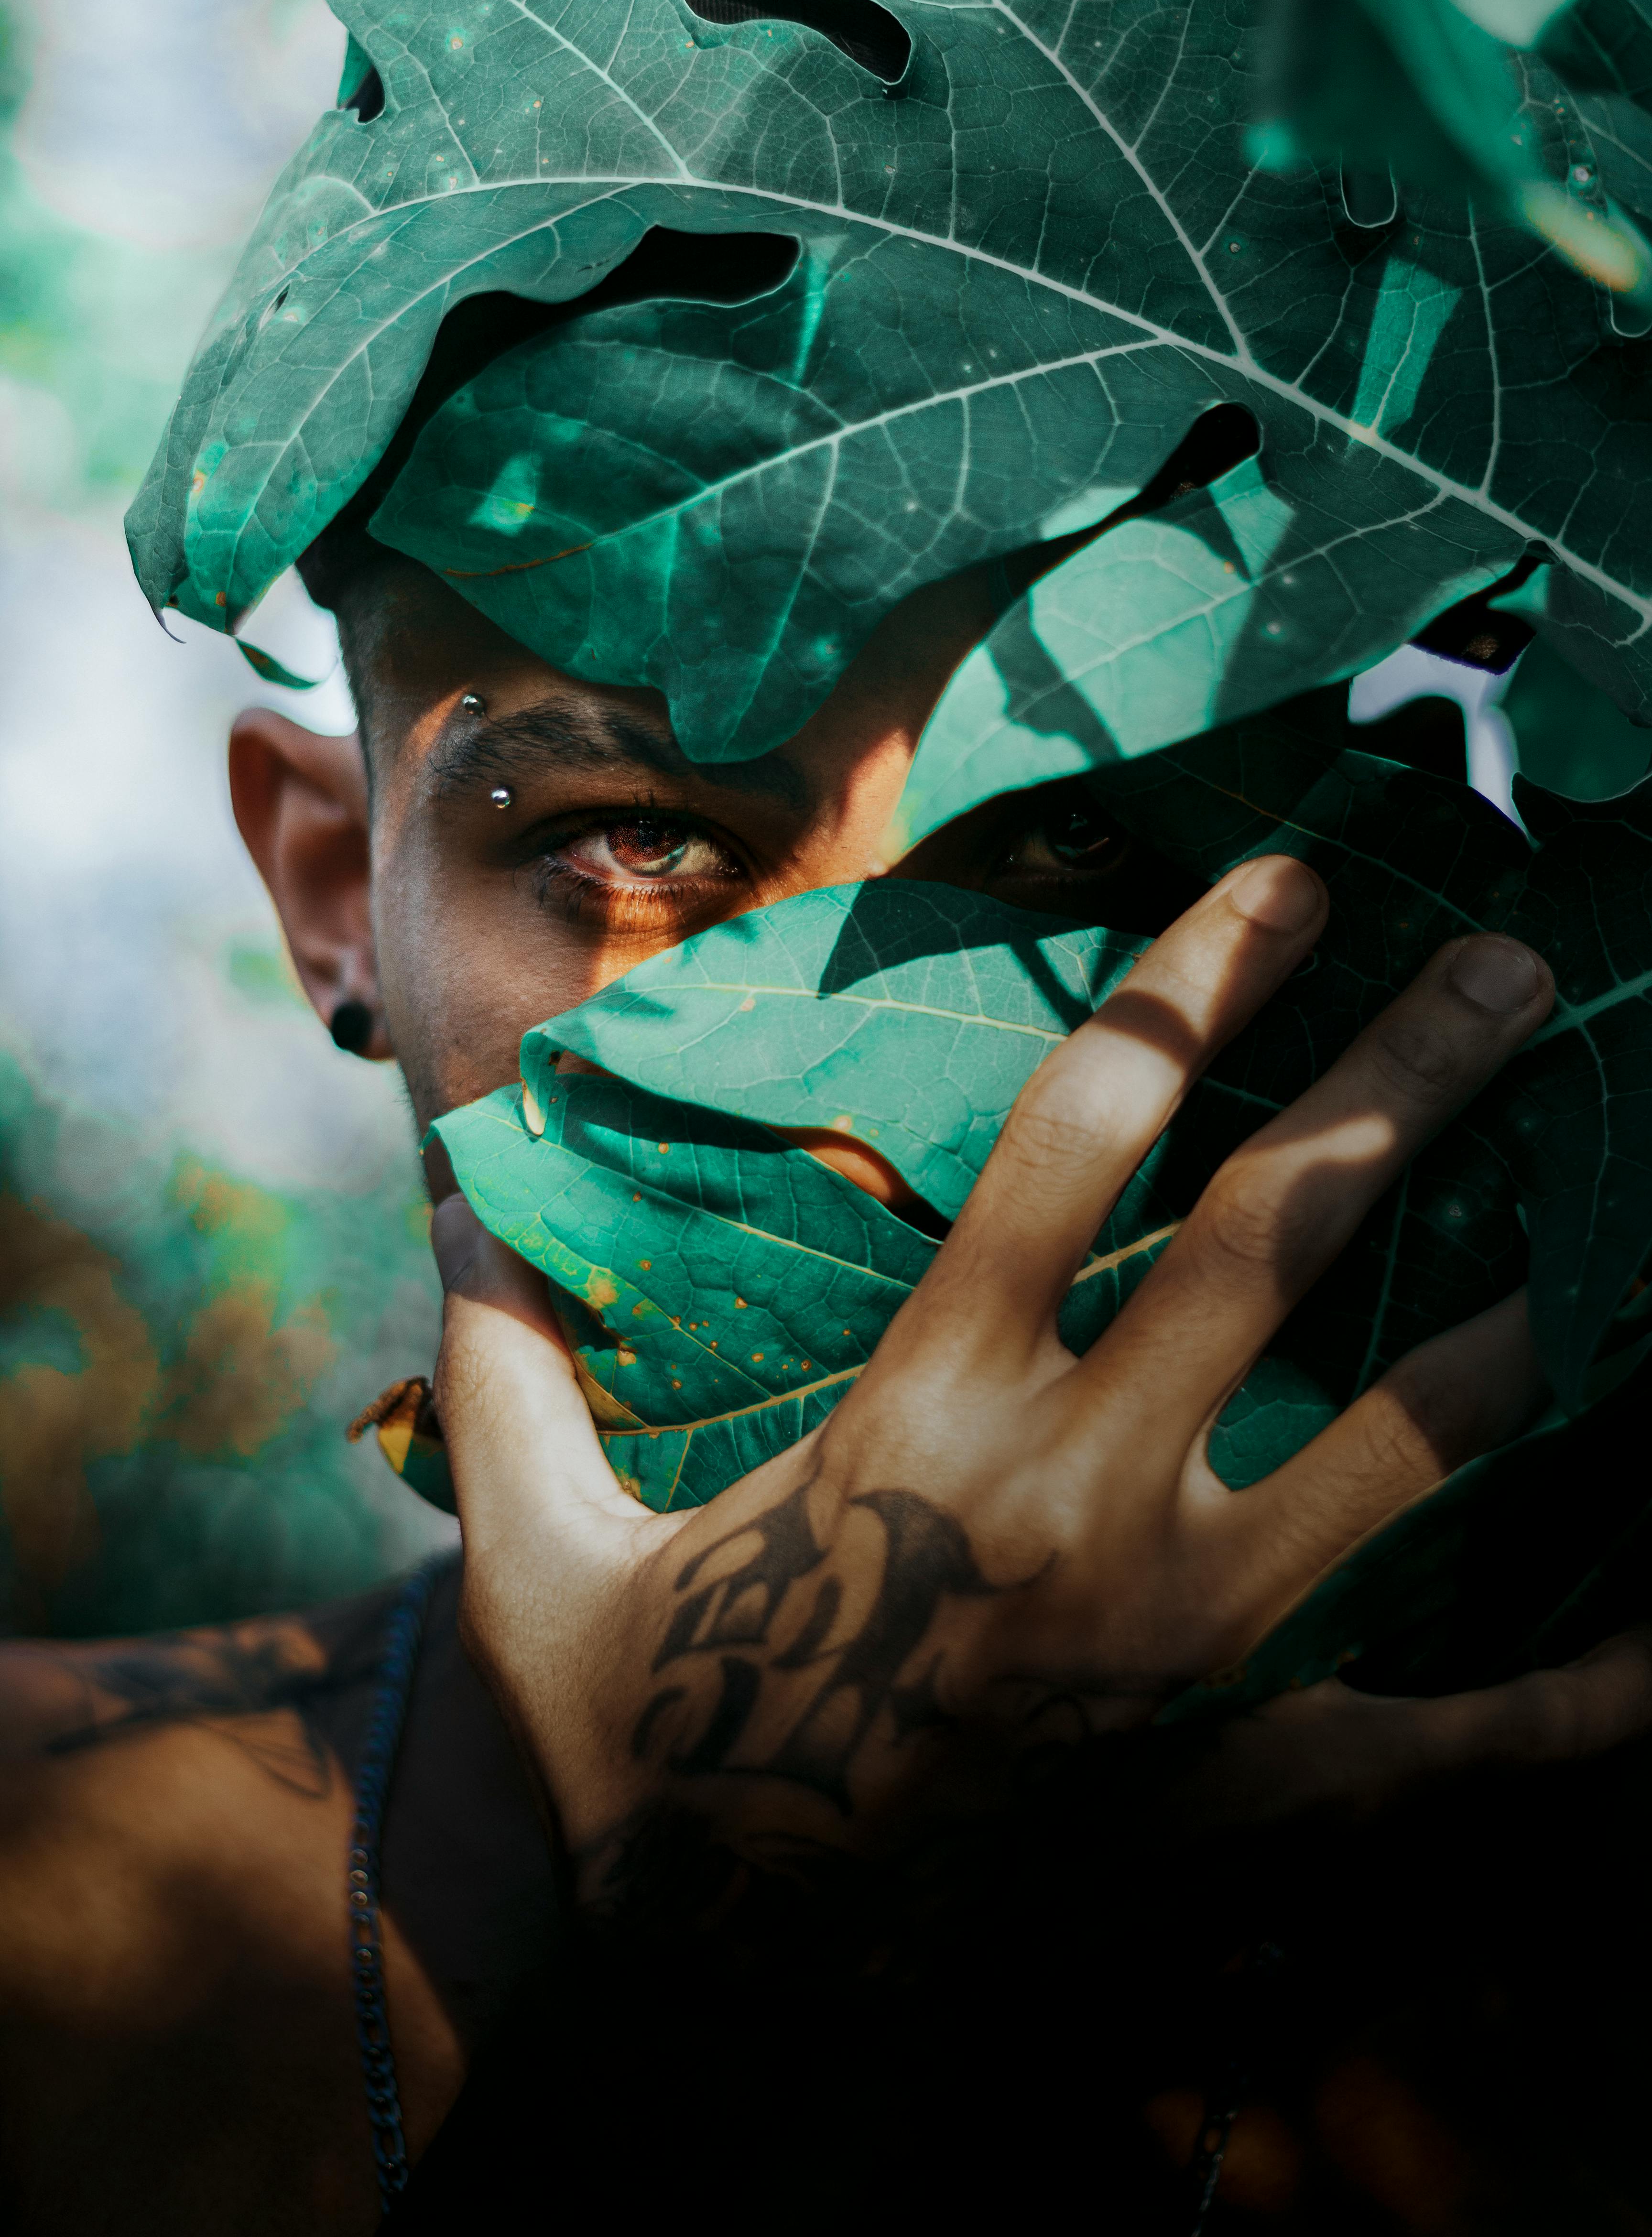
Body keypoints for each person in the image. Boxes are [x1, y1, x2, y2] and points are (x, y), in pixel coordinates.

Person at [2, 531, 1651, 2235]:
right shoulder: (45, 1901)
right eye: (644, 842)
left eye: (1073, 843)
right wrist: (753, 1991)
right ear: (343, 901)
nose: (842, 1118)